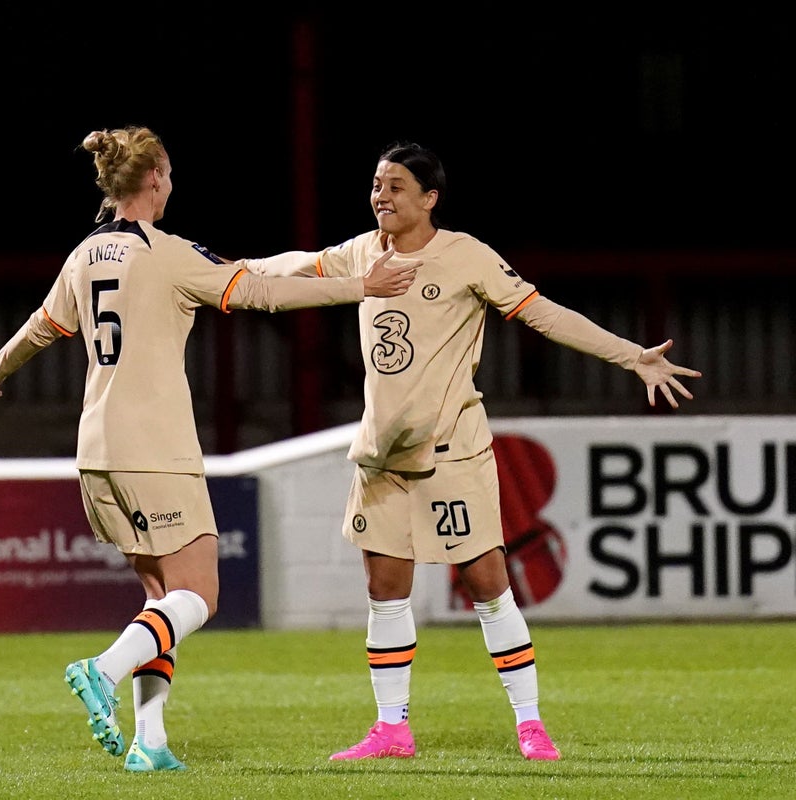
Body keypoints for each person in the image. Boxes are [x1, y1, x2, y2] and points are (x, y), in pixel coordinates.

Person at [237, 140, 701, 762]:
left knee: (488, 583)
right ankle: (392, 729)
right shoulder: (362, 254)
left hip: (453, 449)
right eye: (377, 184)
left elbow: (546, 315)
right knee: (385, 588)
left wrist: (629, 356)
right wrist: (227, 269)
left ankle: (530, 725)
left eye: (397, 186)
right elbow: (298, 265)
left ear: (430, 198)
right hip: (382, 453)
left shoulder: (466, 257)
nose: (382, 196)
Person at [0, 125, 418, 772]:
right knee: (200, 595)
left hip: (96, 451)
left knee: (161, 599)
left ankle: (149, 742)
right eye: (171, 171)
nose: (173, 181)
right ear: (153, 176)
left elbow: (45, 326)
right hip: (154, 448)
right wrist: (360, 287)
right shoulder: (167, 253)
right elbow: (260, 290)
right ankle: (102, 671)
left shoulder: (85, 254)